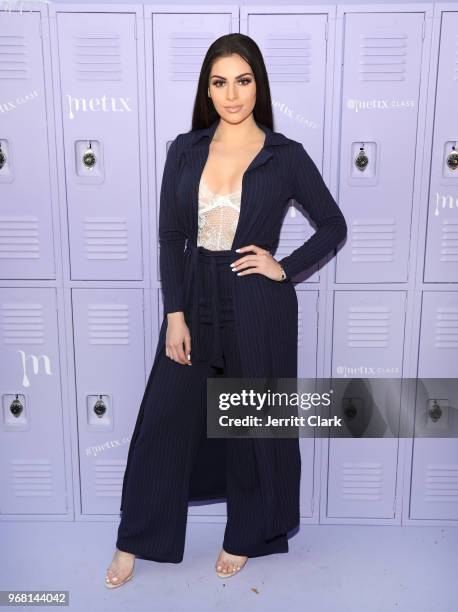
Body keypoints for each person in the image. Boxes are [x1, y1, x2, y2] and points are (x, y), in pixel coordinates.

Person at [105, 33, 347, 588]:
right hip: (195, 293)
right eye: (220, 83)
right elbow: (171, 237)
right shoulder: (185, 149)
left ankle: (246, 534)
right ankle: (134, 540)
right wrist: (175, 315)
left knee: (250, 423)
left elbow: (333, 223)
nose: (232, 95)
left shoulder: (286, 156)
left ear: (257, 85)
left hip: (256, 302)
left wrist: (283, 266)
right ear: (206, 90)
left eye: (243, 81)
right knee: (163, 422)